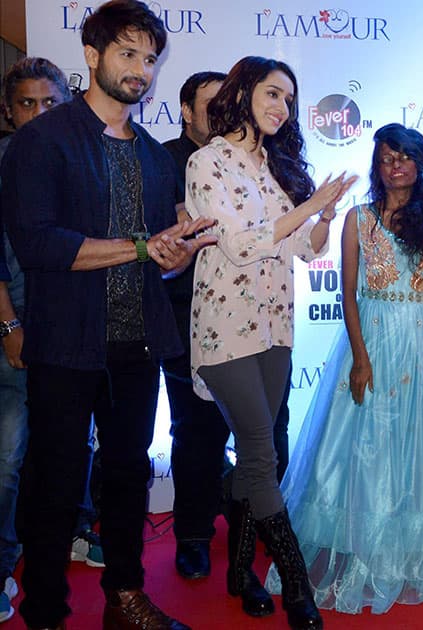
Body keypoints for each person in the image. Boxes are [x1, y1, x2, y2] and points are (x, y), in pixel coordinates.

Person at [0, 2, 217, 628]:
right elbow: (39, 244)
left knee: (126, 479)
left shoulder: (154, 154)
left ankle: (125, 598)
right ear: (91, 56)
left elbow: (161, 262)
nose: (141, 70)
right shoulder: (41, 141)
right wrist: (145, 246)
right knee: (54, 483)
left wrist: (172, 251)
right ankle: (44, 611)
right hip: (66, 344)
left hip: (138, 343)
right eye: (127, 54)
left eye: (150, 59)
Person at [266, 123, 423, 614]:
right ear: (376, 165)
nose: (396, 166)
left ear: (420, 163)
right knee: (358, 444)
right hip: (374, 339)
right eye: (387, 158)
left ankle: (400, 551)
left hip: (421, 337)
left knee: (412, 442)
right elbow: (347, 292)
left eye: (404, 157)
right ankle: (354, 546)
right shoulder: (358, 219)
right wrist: (360, 357)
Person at [185, 56, 355, 628]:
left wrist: (323, 217)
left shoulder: (273, 166)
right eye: (273, 93)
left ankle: (239, 573)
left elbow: (305, 249)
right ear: (244, 91)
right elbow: (237, 243)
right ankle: (299, 589)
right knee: (260, 451)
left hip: (276, 326)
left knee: (260, 458)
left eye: (289, 99)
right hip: (224, 329)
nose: (282, 107)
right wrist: (306, 209)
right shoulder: (206, 162)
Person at [0, 56, 73, 627]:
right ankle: (2, 566)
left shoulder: (78, 159)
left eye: (50, 103)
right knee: (8, 455)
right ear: (9, 110)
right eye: (28, 103)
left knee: (72, 449)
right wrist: (8, 326)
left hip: (72, 327)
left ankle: (73, 531)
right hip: (18, 324)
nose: (39, 114)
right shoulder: (3, 164)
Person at [160, 69, 229, 582]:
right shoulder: (163, 159)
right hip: (184, 315)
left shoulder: (252, 161)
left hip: (250, 317)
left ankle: (255, 527)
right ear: (186, 111)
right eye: (211, 104)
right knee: (195, 430)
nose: (223, 112)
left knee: (267, 431)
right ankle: (194, 535)